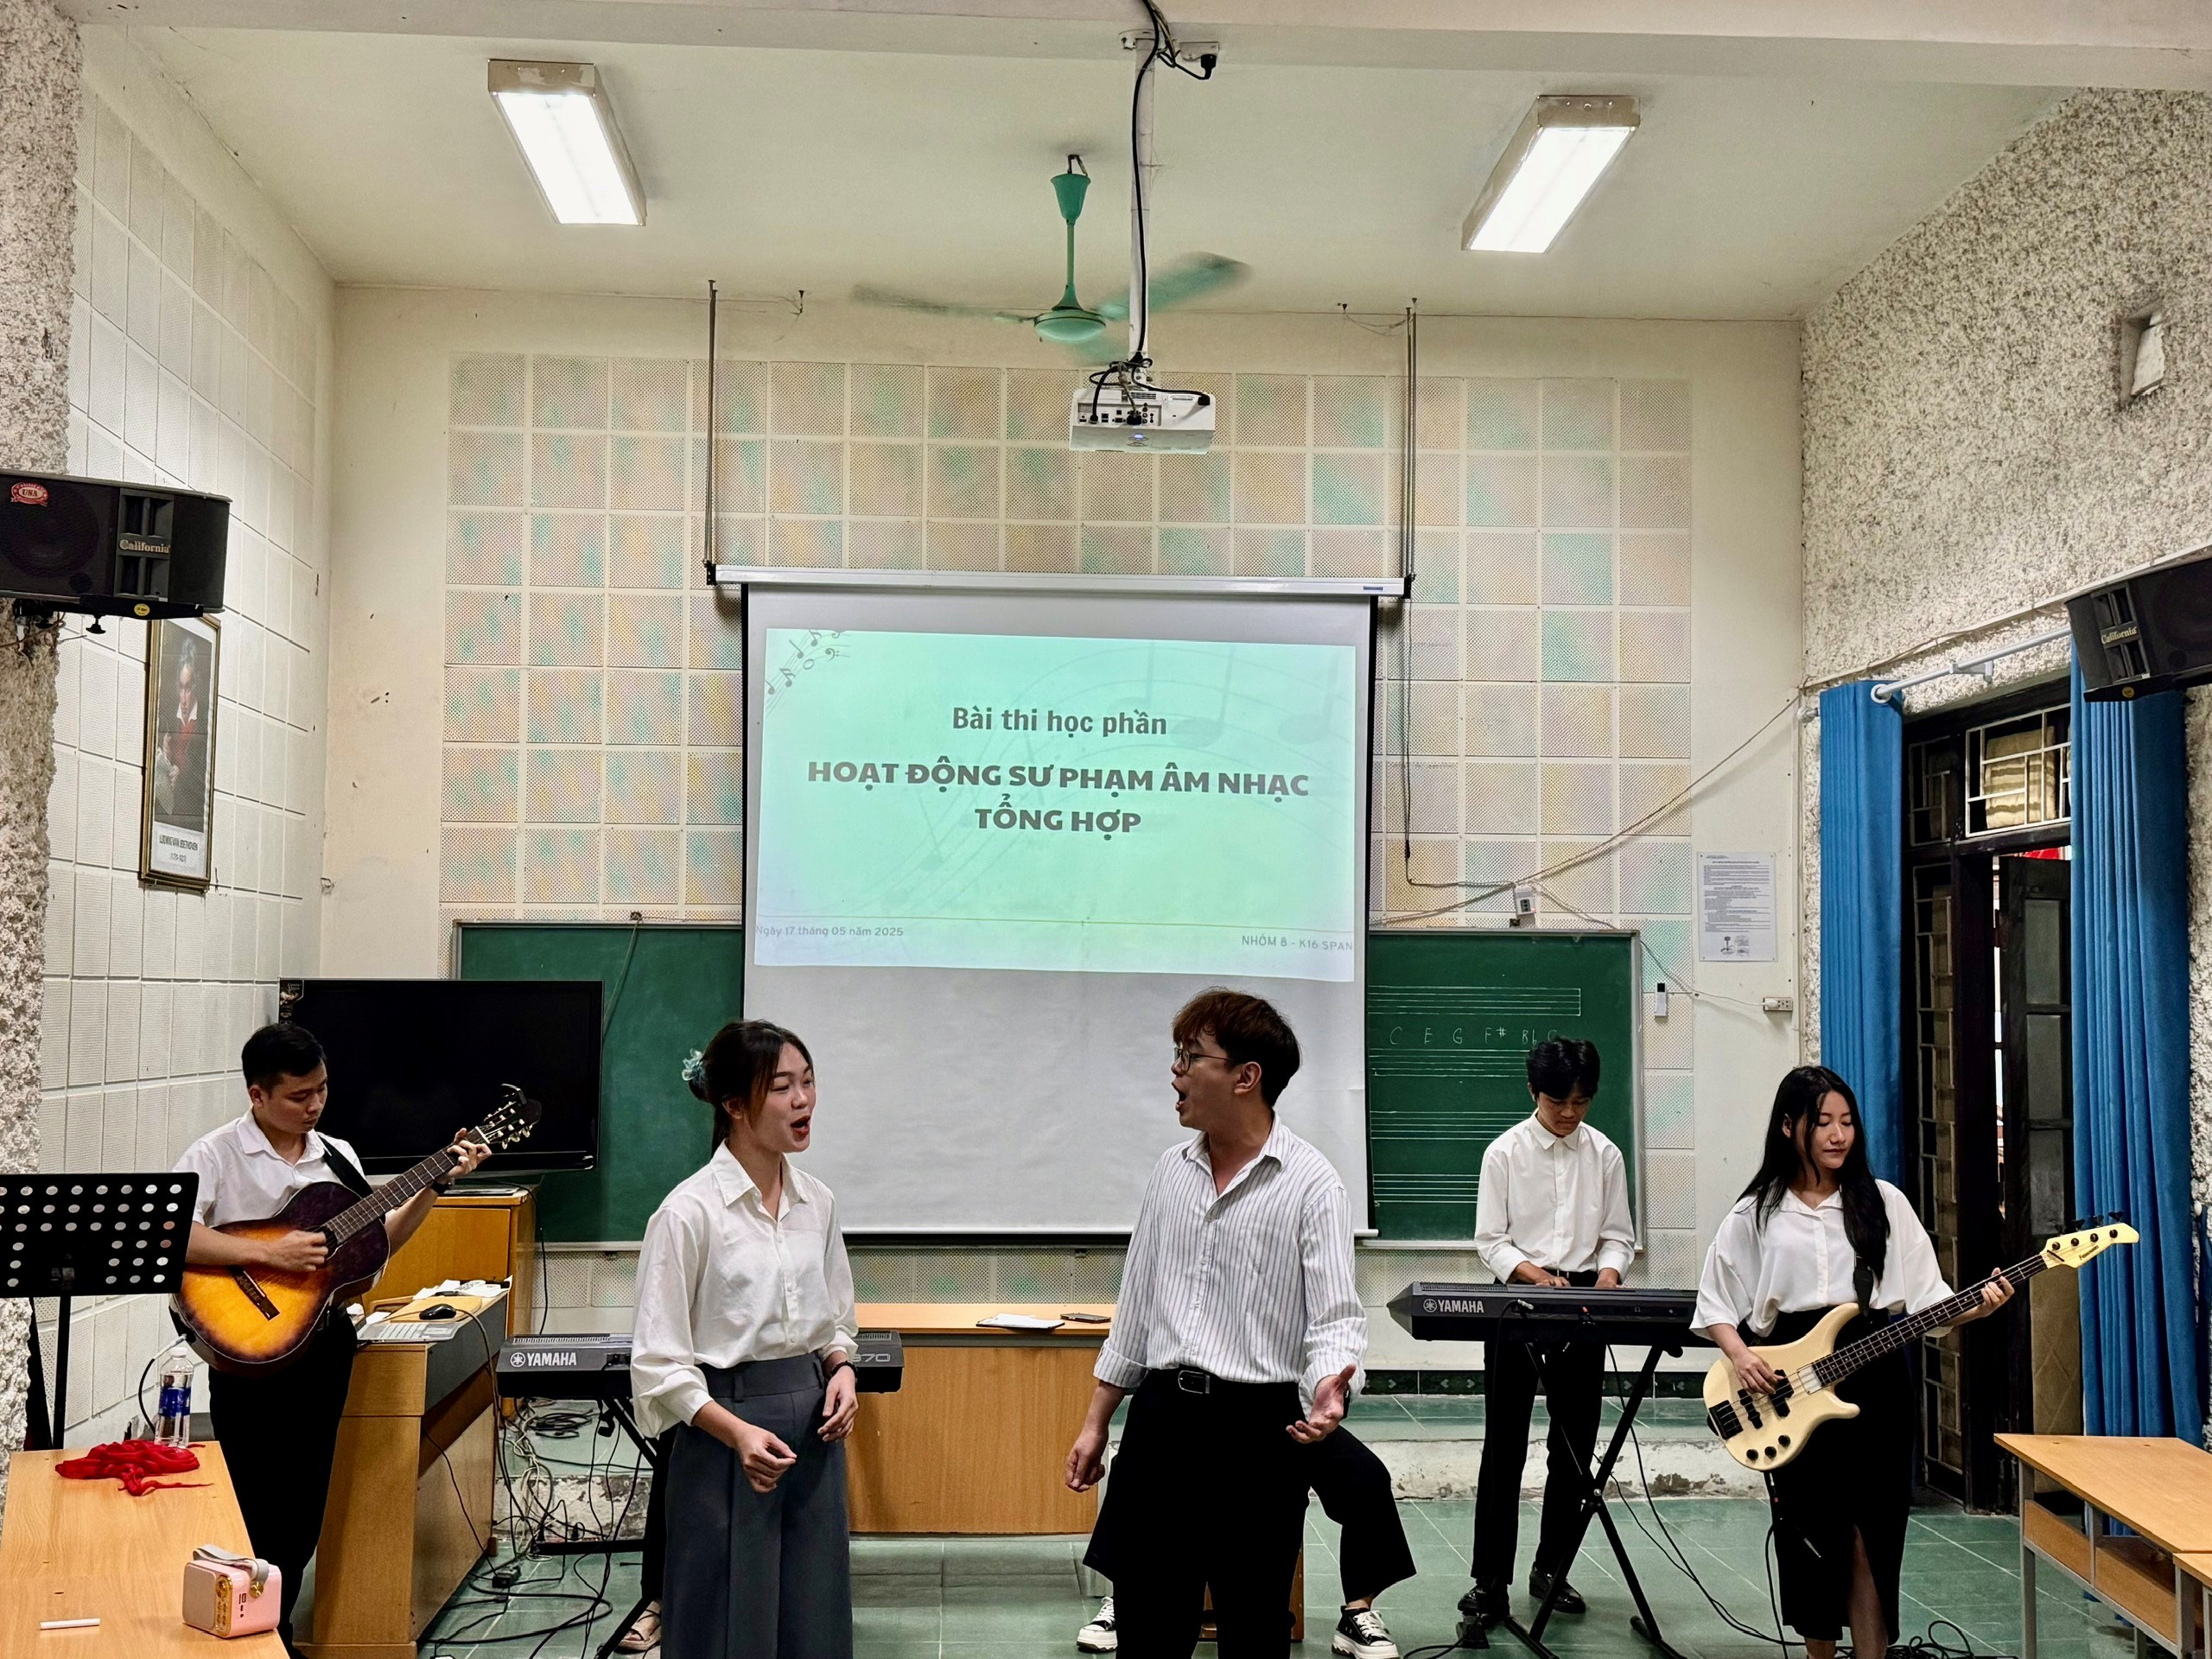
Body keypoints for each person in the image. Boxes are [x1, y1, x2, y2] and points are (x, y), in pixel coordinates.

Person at [1065, 988, 1366, 1659]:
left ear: (1245, 1076)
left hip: (1258, 1432)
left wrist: (1331, 1388)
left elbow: (1335, 1318)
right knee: (1147, 1627)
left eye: (1191, 1056)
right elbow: (1138, 1306)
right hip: (1163, 1424)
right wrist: (1096, 1420)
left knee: (1254, 1627)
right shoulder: (1170, 1174)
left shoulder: (1312, 1183)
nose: (1175, 1072)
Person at [177, 1023, 487, 1655]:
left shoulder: (337, 1156)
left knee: (301, 1508)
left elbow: (376, 1243)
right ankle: (241, 1638)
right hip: (247, 1351)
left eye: (321, 1089)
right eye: (299, 1095)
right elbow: (172, 1234)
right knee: (250, 1501)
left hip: (323, 1347)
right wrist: (270, 1252)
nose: (314, 1105)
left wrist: (434, 1186)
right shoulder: (214, 1155)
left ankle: (277, 1634)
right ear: (258, 1095)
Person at [1694, 1065, 2012, 1659]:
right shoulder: (1755, 1213)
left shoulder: (1882, 1202)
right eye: (1823, 1123)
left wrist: (1979, 1306)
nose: (1838, 1135)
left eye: (1846, 1122)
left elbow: (1929, 1301)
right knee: (1813, 1538)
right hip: (1787, 1379)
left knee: (1873, 1536)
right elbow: (1715, 1302)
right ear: (1789, 1127)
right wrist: (1739, 1355)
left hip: (1876, 1377)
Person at [632, 1020, 860, 1659]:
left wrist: (842, 1368)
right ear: (734, 1105)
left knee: (813, 1614)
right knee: (724, 1615)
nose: (803, 1100)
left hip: (813, 1432)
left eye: (807, 1082)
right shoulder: (687, 1212)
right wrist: (736, 1434)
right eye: (782, 1087)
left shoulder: (818, 1202)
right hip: (724, 1436)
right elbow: (658, 1362)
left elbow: (835, 1321)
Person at [1460, 1038, 1634, 1630]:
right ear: (1534, 1092)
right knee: (1504, 1446)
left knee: (1575, 1448)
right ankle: (1490, 1581)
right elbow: (1491, 1240)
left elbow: (1618, 1236)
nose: (1568, 1113)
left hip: (1583, 1303)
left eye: (1581, 1102)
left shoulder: (1605, 1155)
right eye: (1558, 1101)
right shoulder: (1504, 1153)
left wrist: (1608, 1276)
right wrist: (1536, 1276)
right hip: (1519, 1301)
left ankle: (1551, 1569)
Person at [1075, 1422, 1416, 1657]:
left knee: (1366, 1475)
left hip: (1283, 1414)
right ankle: (1129, 1599)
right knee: (1136, 1467)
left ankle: (1357, 1610)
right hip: (1192, 1410)